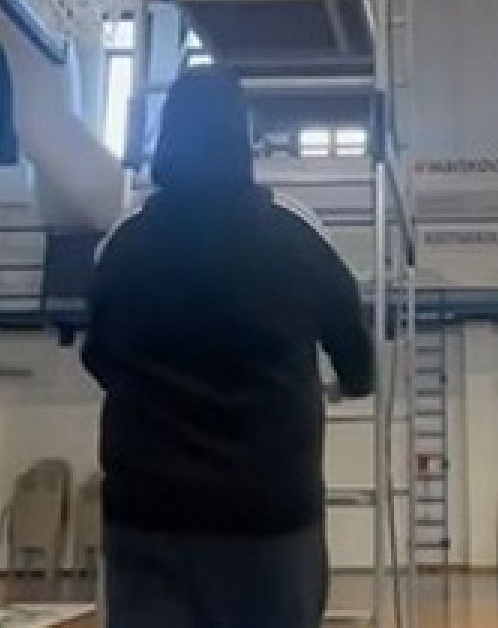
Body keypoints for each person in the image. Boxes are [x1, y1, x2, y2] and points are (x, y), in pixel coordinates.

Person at [81, 66, 376, 628]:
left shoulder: (125, 242)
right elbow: (356, 357)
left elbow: (99, 358)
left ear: (166, 137)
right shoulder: (294, 234)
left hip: (148, 516)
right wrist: (340, 386)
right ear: (244, 138)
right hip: (269, 517)